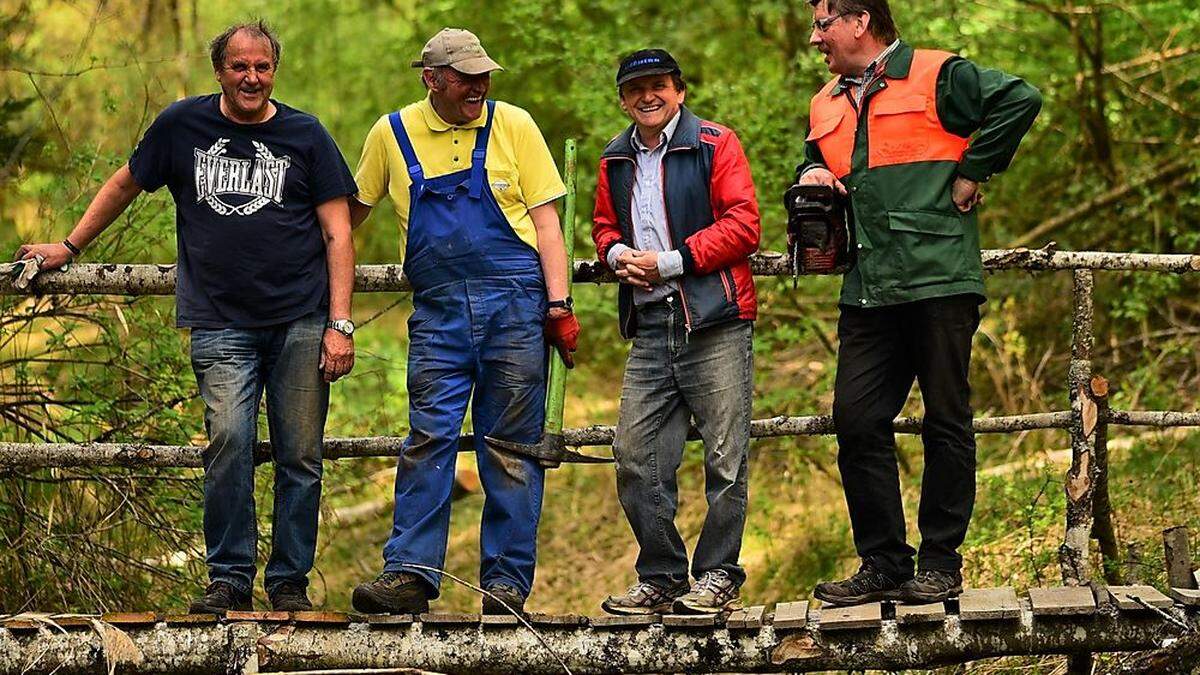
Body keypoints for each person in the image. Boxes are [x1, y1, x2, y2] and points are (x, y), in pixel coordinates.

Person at [13, 21, 358, 613]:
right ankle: (228, 579)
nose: (252, 78)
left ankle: (289, 583)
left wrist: (340, 322)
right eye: (239, 67)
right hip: (221, 321)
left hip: (301, 318)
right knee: (228, 441)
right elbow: (125, 184)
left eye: (263, 67)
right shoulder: (182, 126)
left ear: (274, 70)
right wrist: (69, 247)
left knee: (300, 454)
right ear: (219, 70)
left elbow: (337, 230)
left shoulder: (307, 135)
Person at [797, 0, 1041, 605]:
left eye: (822, 23)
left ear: (858, 21)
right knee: (855, 421)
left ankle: (940, 563)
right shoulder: (825, 101)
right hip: (868, 284)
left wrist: (975, 168)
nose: (813, 37)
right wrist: (812, 175)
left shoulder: (937, 73)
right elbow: (818, 158)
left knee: (946, 421)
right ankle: (883, 562)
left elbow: (1021, 99)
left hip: (939, 276)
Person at [348, 28, 579, 615]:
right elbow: (347, 217)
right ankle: (409, 575)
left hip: (516, 309)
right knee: (429, 440)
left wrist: (558, 305)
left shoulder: (514, 125)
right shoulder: (390, 134)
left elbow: (548, 223)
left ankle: (504, 585)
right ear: (432, 79)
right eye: (465, 77)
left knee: (512, 447)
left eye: (483, 76)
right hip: (439, 314)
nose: (479, 86)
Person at [592, 49, 761, 615]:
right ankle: (662, 576)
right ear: (623, 99)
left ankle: (717, 576)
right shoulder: (614, 157)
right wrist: (616, 253)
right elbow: (602, 226)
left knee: (725, 459)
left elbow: (744, 225)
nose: (648, 96)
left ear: (679, 90)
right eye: (636, 89)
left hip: (713, 319)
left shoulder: (716, 143)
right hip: (650, 324)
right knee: (635, 455)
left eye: (658, 85)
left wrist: (670, 261)